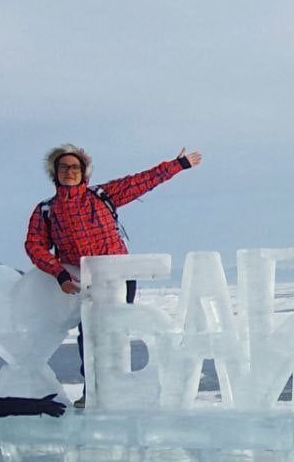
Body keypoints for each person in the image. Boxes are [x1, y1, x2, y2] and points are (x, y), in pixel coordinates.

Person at [24, 143, 203, 407]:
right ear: (55, 173)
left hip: (120, 274)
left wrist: (178, 164)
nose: (69, 172)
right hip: (85, 279)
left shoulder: (102, 195)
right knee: (90, 334)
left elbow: (141, 182)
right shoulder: (46, 210)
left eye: (75, 167)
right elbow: (34, 245)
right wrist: (59, 274)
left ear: (84, 172)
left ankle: (117, 391)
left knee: (115, 333)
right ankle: (93, 392)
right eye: (63, 167)